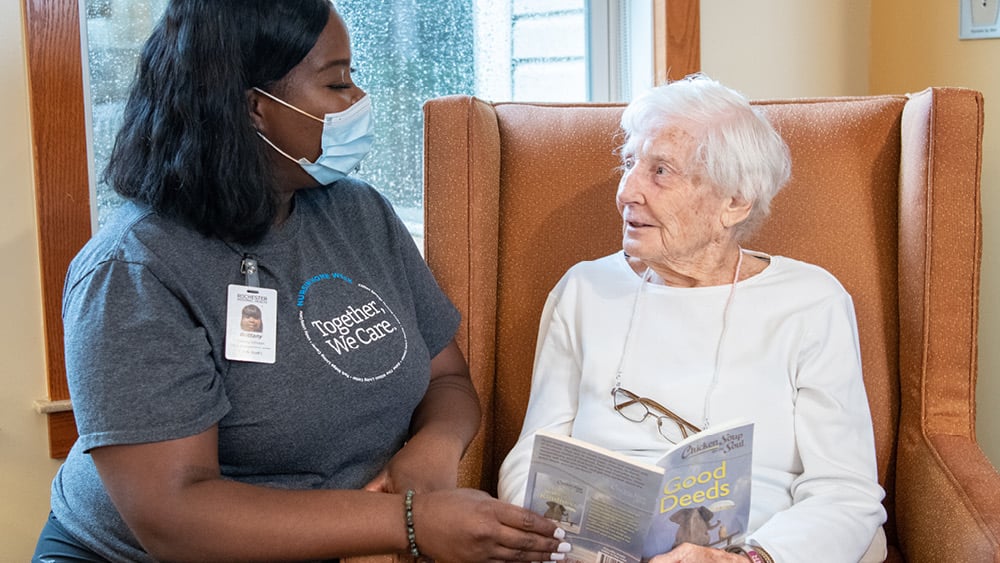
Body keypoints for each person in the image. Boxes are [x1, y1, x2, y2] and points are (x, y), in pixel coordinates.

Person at [33, 2, 570, 561]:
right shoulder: (133, 271)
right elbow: (175, 517)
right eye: (337, 82)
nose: (359, 100)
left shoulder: (359, 213)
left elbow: (448, 379)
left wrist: (433, 448)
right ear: (254, 109)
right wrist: (408, 522)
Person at [497, 74, 887, 563]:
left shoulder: (809, 302)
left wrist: (753, 560)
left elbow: (845, 491)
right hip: (593, 546)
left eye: (660, 171)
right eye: (629, 163)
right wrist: (571, 542)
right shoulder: (585, 289)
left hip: (756, 546)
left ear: (734, 203)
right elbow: (532, 458)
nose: (627, 192)